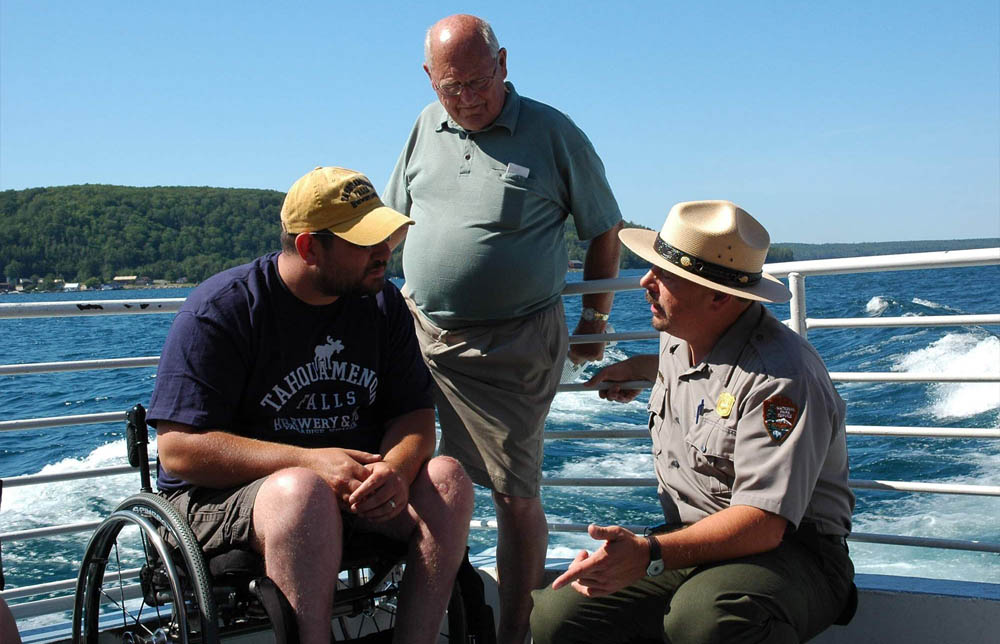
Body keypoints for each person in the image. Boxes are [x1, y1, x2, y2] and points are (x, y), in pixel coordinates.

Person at [148, 166, 475, 644]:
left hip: (350, 487)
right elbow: (178, 451)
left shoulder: (383, 305)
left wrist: (396, 471)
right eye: (364, 242)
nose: (385, 253)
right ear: (309, 248)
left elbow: (415, 415)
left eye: (385, 236)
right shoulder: (222, 310)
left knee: (447, 480)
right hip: (223, 502)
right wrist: (309, 463)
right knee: (302, 493)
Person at [383, 14, 624, 643]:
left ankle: (515, 631)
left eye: (477, 81)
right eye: (450, 87)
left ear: (505, 64)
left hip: (514, 345)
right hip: (422, 338)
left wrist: (594, 319)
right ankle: (445, 613)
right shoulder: (421, 127)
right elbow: (392, 221)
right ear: (428, 79)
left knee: (515, 493)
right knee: (419, 479)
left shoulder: (552, 131)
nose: (465, 98)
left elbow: (605, 228)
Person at [531, 200, 856, 643]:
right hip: (693, 539)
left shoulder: (782, 379)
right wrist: (639, 368)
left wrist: (649, 553)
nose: (646, 281)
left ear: (718, 295)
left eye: (665, 274)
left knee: (707, 617)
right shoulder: (680, 336)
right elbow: (699, 376)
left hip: (794, 554)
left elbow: (763, 522)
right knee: (557, 615)